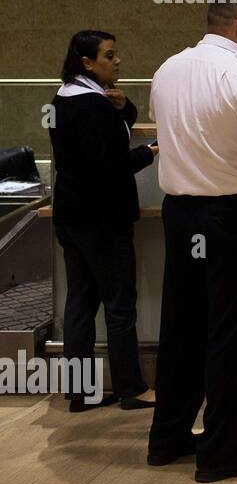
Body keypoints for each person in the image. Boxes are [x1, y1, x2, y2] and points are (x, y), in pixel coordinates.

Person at [146, 0, 237, 483]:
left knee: (181, 327)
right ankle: (221, 452)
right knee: (231, 335)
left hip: (179, 214)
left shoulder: (167, 69)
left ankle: (167, 438)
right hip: (230, 218)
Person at [50, 30, 159, 412]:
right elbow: (113, 167)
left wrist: (124, 106)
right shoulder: (94, 108)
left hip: (71, 216)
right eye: (109, 56)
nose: (117, 61)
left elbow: (113, 127)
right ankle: (131, 388)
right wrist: (148, 152)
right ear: (87, 63)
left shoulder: (63, 99)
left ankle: (80, 391)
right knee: (118, 304)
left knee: (80, 303)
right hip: (103, 220)